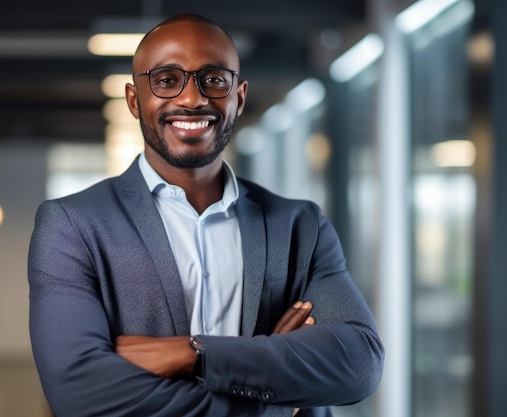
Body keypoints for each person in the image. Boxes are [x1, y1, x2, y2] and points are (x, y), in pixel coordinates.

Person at [28, 13, 384, 417]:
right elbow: (78, 391)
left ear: (240, 96)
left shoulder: (300, 226)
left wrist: (195, 354)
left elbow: (360, 363)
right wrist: (271, 402)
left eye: (213, 79)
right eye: (165, 80)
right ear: (133, 100)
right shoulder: (72, 225)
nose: (192, 98)